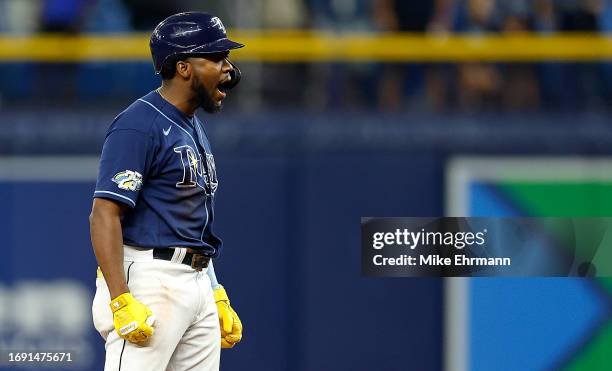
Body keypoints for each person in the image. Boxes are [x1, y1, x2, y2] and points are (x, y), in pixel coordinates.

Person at [89, 11, 244, 371]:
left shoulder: (192, 127)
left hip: (196, 281)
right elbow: (104, 214)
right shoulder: (139, 123)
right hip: (150, 281)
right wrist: (120, 298)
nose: (229, 69)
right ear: (183, 67)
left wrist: (213, 288)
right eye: (217, 58)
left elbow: (187, 224)